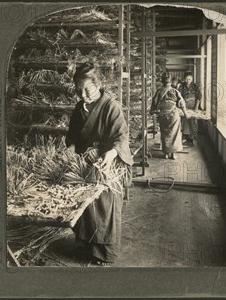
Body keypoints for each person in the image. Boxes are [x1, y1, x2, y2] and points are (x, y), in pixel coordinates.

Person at [66, 62, 133, 266]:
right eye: (79, 90)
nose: (83, 95)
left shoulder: (111, 106)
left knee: (104, 202)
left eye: (87, 89)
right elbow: (73, 136)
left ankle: (104, 252)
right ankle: (85, 243)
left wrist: (111, 154)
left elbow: (121, 137)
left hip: (108, 159)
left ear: (98, 84)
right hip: (85, 159)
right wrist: (70, 147)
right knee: (81, 200)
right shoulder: (79, 108)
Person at [150, 73, 188, 159]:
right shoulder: (175, 91)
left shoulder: (159, 91)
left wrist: (153, 111)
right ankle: (173, 153)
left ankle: (166, 153)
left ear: (162, 82)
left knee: (165, 134)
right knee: (174, 134)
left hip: (163, 115)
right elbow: (182, 103)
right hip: (173, 115)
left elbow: (154, 102)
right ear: (171, 82)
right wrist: (186, 113)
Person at [179, 73, 202, 145]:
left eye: (189, 79)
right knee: (185, 121)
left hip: (193, 105)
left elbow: (199, 97)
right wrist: (182, 107)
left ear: (192, 79)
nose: (187, 80)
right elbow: (179, 96)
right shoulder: (182, 86)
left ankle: (192, 138)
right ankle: (185, 137)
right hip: (184, 105)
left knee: (193, 121)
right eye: (186, 79)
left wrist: (196, 107)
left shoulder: (195, 86)